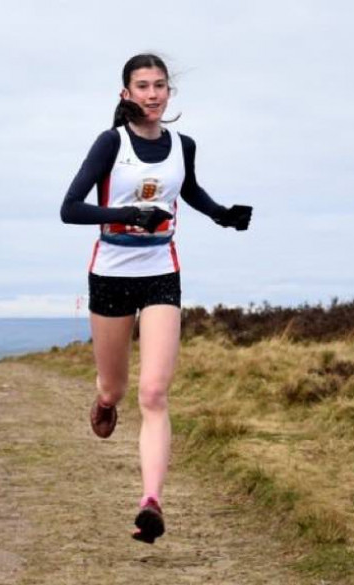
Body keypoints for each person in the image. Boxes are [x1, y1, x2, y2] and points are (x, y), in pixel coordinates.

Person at [60, 53, 252, 544]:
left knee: (154, 393)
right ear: (126, 94)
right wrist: (126, 212)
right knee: (118, 388)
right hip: (110, 273)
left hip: (161, 271)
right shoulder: (110, 144)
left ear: (169, 93)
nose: (152, 93)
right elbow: (70, 208)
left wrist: (224, 215)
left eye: (160, 85)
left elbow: (188, 190)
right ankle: (104, 399)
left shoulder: (182, 145)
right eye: (142, 86)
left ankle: (151, 502)